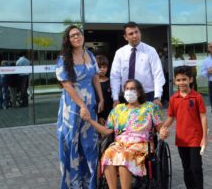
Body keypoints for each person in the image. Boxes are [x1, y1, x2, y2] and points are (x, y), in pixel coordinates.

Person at [82, 79, 163, 189]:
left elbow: (160, 128)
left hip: (141, 145)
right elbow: (106, 131)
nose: (129, 91)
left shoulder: (150, 107)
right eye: (127, 89)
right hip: (120, 144)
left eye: (132, 89)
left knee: (124, 156)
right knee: (108, 154)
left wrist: (163, 132)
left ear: (139, 92)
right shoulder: (118, 109)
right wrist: (90, 120)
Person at [55, 25, 104, 189]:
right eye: (72, 35)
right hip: (72, 107)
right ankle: (73, 184)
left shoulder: (89, 54)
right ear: (68, 40)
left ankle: (90, 183)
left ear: (83, 36)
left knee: (90, 143)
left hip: (90, 105)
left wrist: (101, 98)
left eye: (78, 34)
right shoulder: (63, 59)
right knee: (71, 143)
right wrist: (82, 105)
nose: (76, 37)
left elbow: (96, 78)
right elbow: (67, 86)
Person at [160, 66, 207, 189]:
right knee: (186, 169)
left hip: (195, 139)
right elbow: (171, 117)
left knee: (196, 168)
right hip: (181, 139)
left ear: (190, 80)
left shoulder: (197, 97)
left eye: (184, 79)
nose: (181, 83)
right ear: (175, 81)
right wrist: (162, 128)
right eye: (178, 80)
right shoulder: (173, 99)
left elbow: (203, 117)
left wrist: (204, 138)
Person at [110, 22, 165, 108]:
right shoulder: (120, 53)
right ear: (125, 37)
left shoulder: (150, 51)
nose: (135, 35)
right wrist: (115, 98)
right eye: (131, 34)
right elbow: (115, 76)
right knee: (126, 121)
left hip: (147, 95)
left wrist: (157, 96)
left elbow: (158, 74)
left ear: (140, 33)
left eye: (136, 32)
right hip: (126, 96)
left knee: (148, 121)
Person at [96, 55, 113, 125]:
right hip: (95, 114)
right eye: (99, 67)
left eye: (104, 67)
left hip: (109, 113)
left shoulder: (111, 82)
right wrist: (98, 117)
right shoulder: (91, 83)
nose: (102, 69)